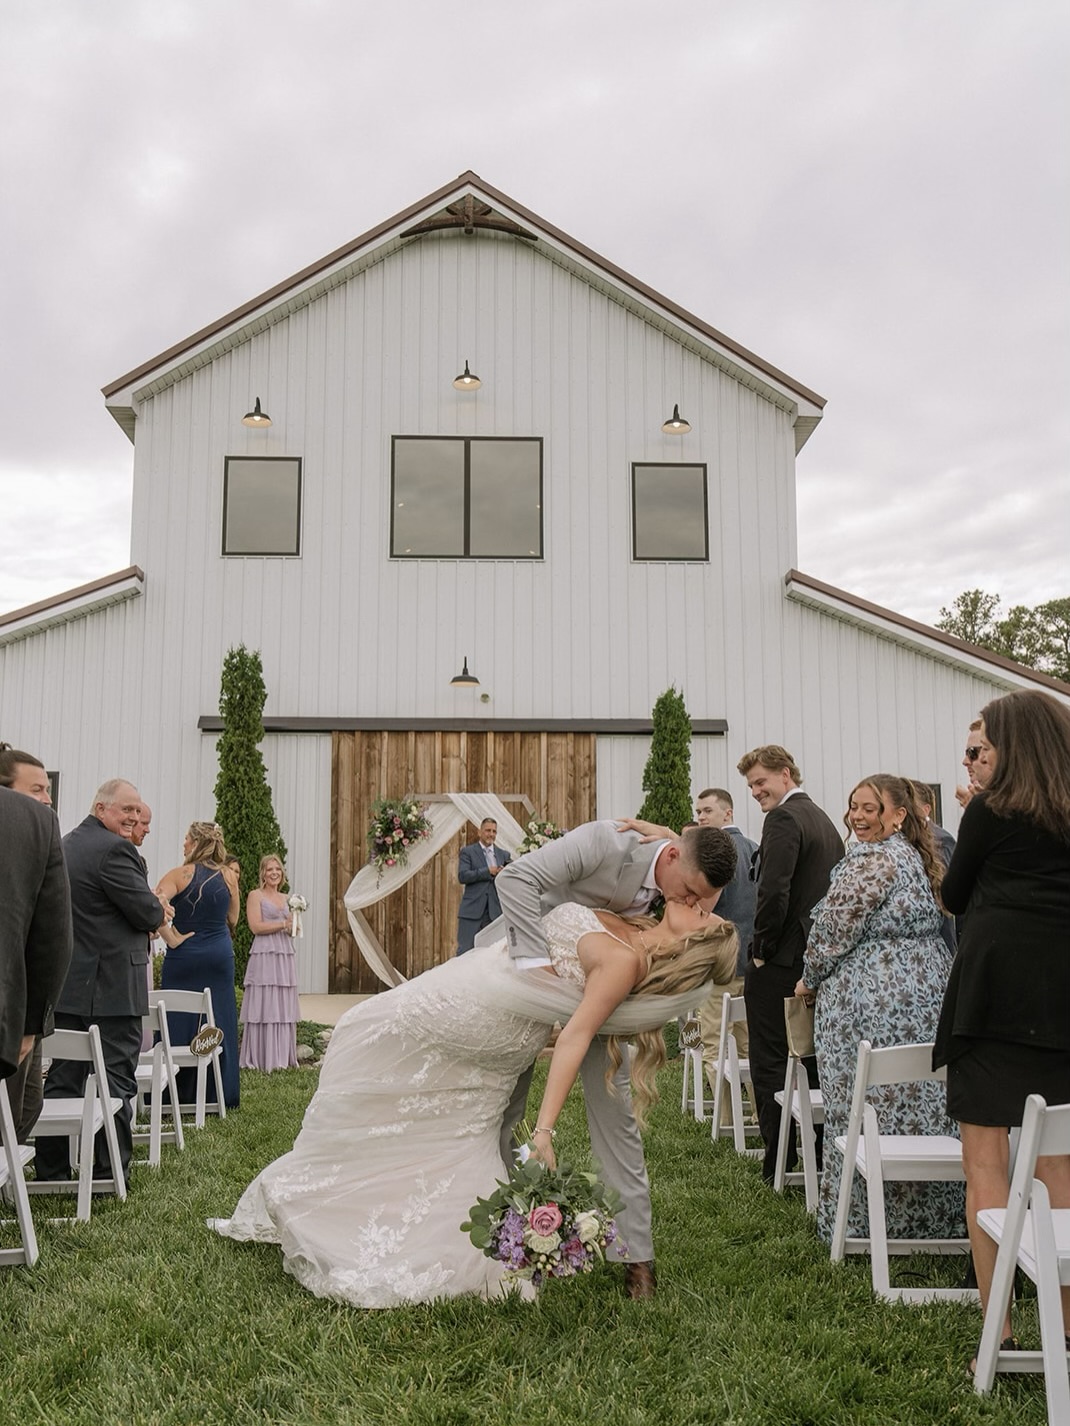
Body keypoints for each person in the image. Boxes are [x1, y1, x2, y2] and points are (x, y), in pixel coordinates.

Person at [211, 896, 739, 1308]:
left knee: (375, 1043)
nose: (703, 907)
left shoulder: (626, 961)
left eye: (706, 919)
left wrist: (545, 1132)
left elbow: (574, 1040)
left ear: (687, 947)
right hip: (483, 996)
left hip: (487, 1016)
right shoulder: (637, 916)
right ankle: (368, 1194)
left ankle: (379, 1216)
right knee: (431, 1105)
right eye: (704, 907)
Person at [488, 819, 735, 1298]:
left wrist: (674, 837)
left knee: (617, 1119)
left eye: (702, 902)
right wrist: (538, 976)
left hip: (611, 998)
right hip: (528, 971)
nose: (691, 905)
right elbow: (515, 879)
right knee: (504, 1108)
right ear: (668, 859)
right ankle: (509, 1234)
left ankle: (637, 1257)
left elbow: (700, 931)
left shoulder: (692, 883)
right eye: (687, 894)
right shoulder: (604, 843)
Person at [933, 690, 1070, 1360]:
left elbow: (954, 896)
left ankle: (1003, 1332)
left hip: (992, 999)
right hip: (1063, 999)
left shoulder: (989, 810)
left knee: (984, 1161)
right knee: (1059, 1162)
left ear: (1012, 745)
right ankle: (1066, 1329)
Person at [795, 775, 963, 1244]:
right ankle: (936, 1219)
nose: (857, 816)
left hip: (870, 1000)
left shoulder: (871, 860)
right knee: (923, 1100)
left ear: (897, 815)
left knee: (866, 1099)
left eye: (870, 807)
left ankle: (864, 1221)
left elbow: (834, 927)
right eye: (853, 806)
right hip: (929, 991)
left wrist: (809, 977)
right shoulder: (917, 857)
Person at [36, 779, 167, 1186]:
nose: (132, 817)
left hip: (71, 984)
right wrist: (157, 907)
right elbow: (147, 913)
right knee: (116, 1081)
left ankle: (52, 1169)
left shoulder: (67, 843)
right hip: (111, 990)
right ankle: (110, 1172)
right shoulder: (115, 850)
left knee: (63, 1077)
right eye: (125, 810)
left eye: (136, 811)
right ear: (101, 808)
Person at [737, 746, 843, 1181]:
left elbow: (774, 893)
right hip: (816, 960)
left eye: (761, 782)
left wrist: (761, 948)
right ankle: (818, 1151)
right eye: (750, 786)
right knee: (811, 1057)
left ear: (785, 774)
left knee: (770, 1057)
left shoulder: (782, 819)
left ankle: (777, 1158)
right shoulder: (823, 819)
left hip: (781, 960)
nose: (756, 791)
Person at [0, 744, 67, 1142]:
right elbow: (53, 933)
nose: (46, 800)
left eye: (49, 791)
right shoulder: (38, 824)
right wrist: (31, 1024)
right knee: (17, 1113)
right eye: (37, 789)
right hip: (12, 1009)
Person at [156, 822, 242, 1109]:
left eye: (185, 839)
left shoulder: (179, 874)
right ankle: (221, 1092)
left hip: (185, 955)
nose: (183, 845)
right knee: (219, 1017)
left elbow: (152, 904)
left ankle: (174, 1092)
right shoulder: (229, 876)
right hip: (218, 954)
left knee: (178, 1018)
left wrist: (170, 937)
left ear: (194, 843)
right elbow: (233, 919)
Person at [693, 788, 759, 1108]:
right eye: (699, 812)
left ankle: (726, 1116)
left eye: (707, 811)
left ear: (727, 813)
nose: (701, 817)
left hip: (721, 960)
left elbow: (704, 909)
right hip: (754, 961)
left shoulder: (712, 853)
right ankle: (755, 1112)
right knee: (747, 1043)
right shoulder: (758, 850)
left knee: (715, 1042)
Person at [240, 854, 300, 1071]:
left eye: (277, 869)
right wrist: (283, 923)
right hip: (264, 953)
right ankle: (261, 1056)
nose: (274, 873)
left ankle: (282, 1056)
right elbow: (255, 927)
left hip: (283, 952)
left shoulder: (288, 898)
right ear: (263, 873)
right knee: (265, 1000)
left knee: (281, 1000)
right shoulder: (255, 895)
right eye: (269, 869)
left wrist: (294, 927)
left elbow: (291, 929)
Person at [456, 818, 511, 953]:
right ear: (479, 832)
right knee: (465, 952)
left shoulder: (504, 855)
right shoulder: (467, 852)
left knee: (492, 954)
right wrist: (487, 872)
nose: (491, 834)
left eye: (494, 831)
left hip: (494, 913)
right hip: (472, 911)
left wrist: (504, 873)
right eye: (487, 830)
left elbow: (512, 878)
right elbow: (463, 876)